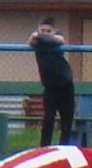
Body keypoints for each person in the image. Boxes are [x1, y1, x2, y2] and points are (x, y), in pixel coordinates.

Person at [28, 17, 75, 146]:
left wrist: (44, 37)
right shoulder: (37, 42)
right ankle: (44, 148)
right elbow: (31, 40)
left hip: (65, 84)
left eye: (48, 31)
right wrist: (39, 36)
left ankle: (63, 148)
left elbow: (60, 40)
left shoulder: (57, 40)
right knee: (48, 119)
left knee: (66, 120)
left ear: (54, 31)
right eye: (42, 30)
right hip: (50, 87)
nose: (45, 33)